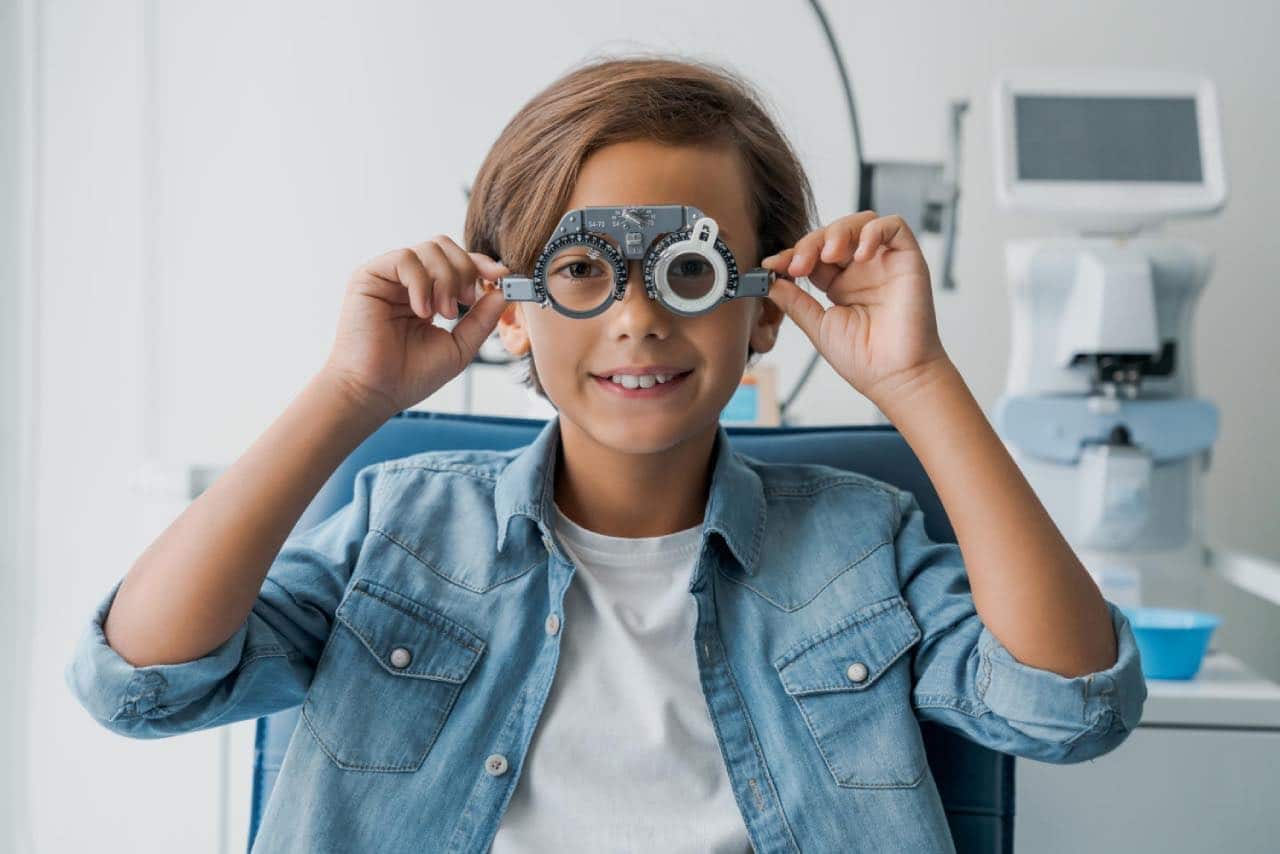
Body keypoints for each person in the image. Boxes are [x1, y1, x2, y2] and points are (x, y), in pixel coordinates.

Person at [65, 55, 1145, 853]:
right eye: (581, 271)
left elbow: (1069, 707)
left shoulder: (862, 542)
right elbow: (136, 682)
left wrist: (918, 381)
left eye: (683, 268)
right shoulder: (398, 530)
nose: (635, 318)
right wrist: (352, 394)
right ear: (513, 309)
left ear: (760, 309)